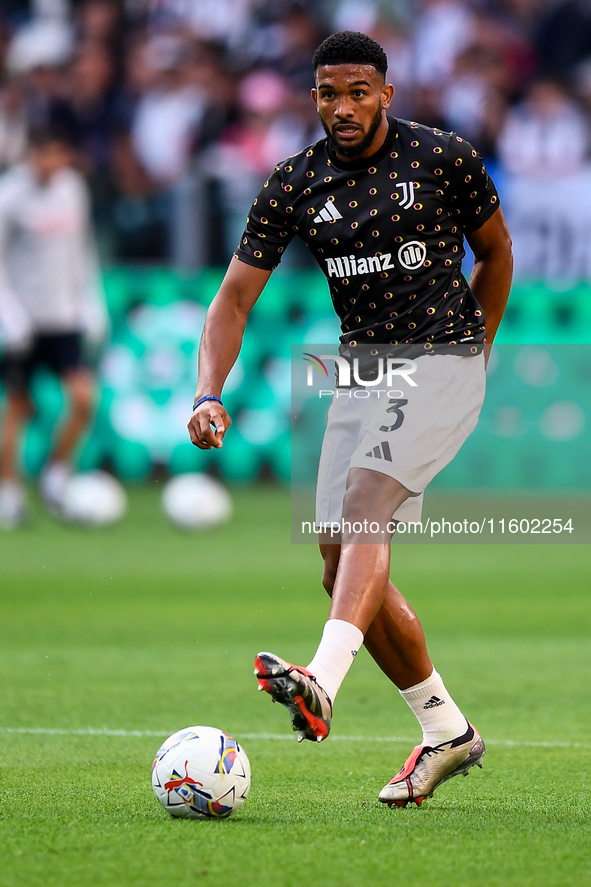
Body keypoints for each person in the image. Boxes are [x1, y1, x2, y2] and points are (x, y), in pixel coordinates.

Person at [187, 31, 513, 807]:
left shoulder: (442, 158)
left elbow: (495, 253)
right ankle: (445, 731)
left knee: (367, 504)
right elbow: (233, 298)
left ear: (386, 94)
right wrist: (208, 392)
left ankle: (319, 681)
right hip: (360, 371)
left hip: (441, 356)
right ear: (313, 98)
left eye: (358, 91)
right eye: (328, 93)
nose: (342, 107)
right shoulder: (292, 183)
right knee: (339, 569)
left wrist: (481, 349)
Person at [0, 128, 108, 527]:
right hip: (23, 321)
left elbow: (83, 250)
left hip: (62, 317)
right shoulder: (9, 195)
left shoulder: (72, 189)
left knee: (83, 399)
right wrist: (8, 314)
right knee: (17, 408)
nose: (52, 164)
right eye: (46, 155)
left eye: (59, 154)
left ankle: (55, 474)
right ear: (31, 154)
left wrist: (91, 303)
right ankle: (8, 491)